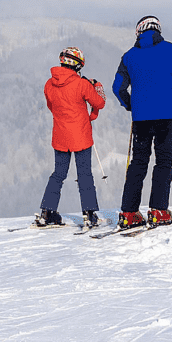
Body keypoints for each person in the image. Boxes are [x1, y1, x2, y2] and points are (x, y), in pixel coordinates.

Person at [112, 16, 172, 229]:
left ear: (139, 32)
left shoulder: (129, 56)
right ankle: (158, 210)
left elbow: (118, 88)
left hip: (141, 118)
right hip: (166, 116)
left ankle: (129, 212)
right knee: (163, 161)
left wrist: (131, 104)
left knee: (138, 162)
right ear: (158, 29)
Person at [38, 46, 106, 228]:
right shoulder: (82, 84)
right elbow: (99, 102)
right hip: (81, 136)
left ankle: (47, 212)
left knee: (58, 174)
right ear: (77, 65)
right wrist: (97, 86)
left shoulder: (49, 84)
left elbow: (52, 106)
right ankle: (89, 213)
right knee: (84, 174)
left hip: (60, 136)